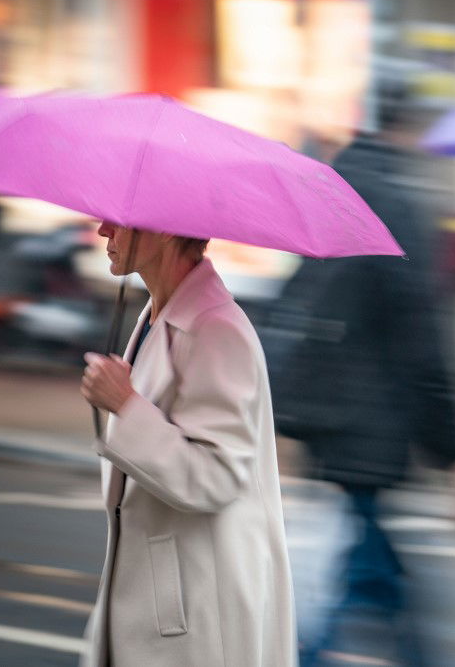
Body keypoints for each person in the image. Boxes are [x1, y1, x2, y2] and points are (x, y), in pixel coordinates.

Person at [271, 102, 455, 666]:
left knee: (373, 569)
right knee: (361, 573)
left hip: (326, 418)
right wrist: (453, 450)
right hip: (372, 425)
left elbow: (293, 306)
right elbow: (420, 334)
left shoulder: (334, 197)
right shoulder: (398, 207)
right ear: (402, 132)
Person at [79, 225, 296, 666]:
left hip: (199, 616)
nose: (102, 228)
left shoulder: (217, 329)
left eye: (118, 220)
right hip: (155, 602)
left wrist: (125, 404)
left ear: (161, 230)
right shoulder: (157, 316)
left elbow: (215, 477)